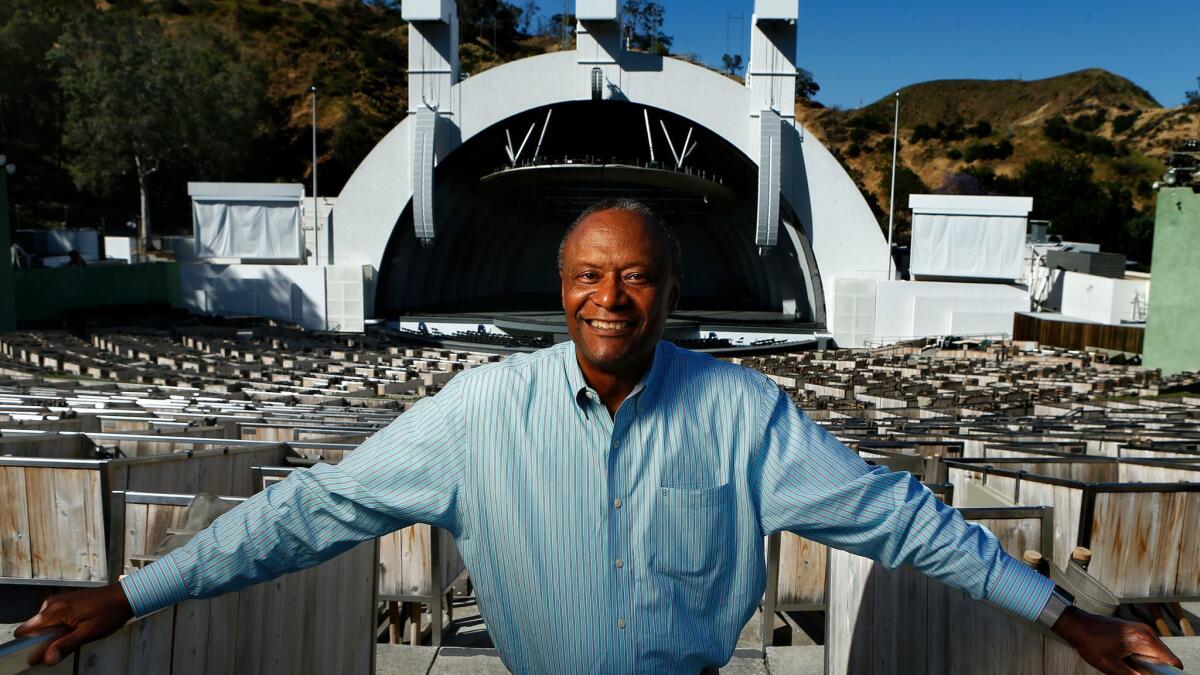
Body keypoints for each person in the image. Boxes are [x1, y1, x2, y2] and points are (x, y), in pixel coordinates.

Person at [18, 199, 1182, 673]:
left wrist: (1067, 615)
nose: (609, 297)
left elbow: (902, 519)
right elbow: (307, 510)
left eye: (633, 276)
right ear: (559, 288)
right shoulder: (481, 412)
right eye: (588, 275)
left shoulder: (742, 413)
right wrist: (136, 591)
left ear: (671, 291)